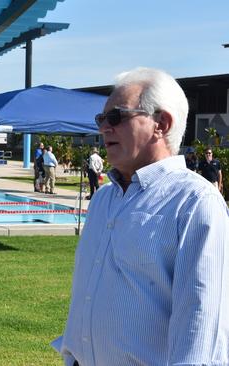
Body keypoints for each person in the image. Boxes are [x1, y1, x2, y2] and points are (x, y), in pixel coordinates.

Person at [54, 67, 229, 365]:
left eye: (116, 117)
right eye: (101, 119)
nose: (103, 128)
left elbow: (201, 321)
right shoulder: (104, 200)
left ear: (161, 123)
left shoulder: (195, 202)